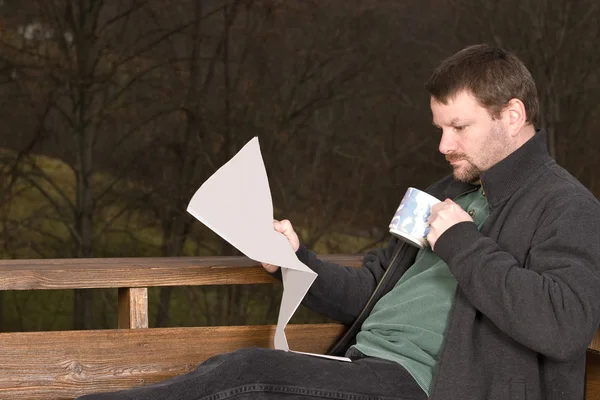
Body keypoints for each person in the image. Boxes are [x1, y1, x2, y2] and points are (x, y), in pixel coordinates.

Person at [79, 44, 600, 400]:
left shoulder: (567, 206)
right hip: (362, 366)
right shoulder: (444, 193)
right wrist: (293, 262)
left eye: (459, 127)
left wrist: (462, 241)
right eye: (440, 128)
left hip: (426, 386)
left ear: (511, 115)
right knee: (230, 369)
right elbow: (371, 287)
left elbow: (564, 324)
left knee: (246, 375)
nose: (444, 146)